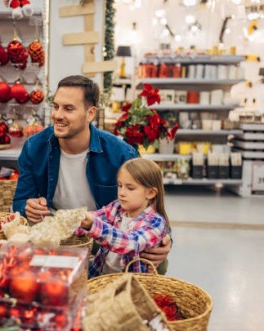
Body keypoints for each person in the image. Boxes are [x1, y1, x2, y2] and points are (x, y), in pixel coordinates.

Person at [12, 75, 171, 268]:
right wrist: (28, 207)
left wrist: (166, 239)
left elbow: (151, 203)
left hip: (102, 233)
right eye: (56, 106)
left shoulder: (121, 153)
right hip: (55, 227)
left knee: (157, 260)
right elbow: (20, 201)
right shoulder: (34, 147)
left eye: (68, 108)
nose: (58, 115)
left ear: (90, 113)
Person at [80, 158, 169, 277]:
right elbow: (95, 216)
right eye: (120, 185)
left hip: (131, 287)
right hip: (101, 277)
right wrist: (76, 222)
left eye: (130, 188)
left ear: (150, 193)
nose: (122, 192)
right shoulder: (116, 207)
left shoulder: (156, 223)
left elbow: (131, 244)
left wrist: (93, 225)